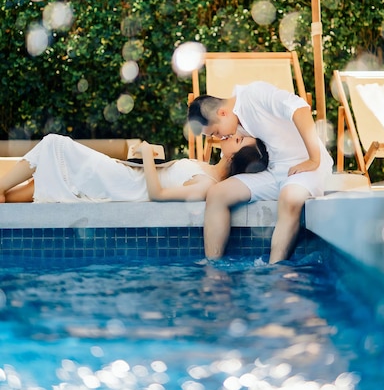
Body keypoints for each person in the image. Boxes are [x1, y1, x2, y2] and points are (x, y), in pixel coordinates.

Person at [187, 81, 333, 264]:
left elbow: (300, 108)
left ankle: (274, 269)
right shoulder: (234, 125)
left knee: (289, 198)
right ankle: (213, 268)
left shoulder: (254, 95)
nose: (219, 138)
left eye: (216, 132)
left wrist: (313, 159)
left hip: (304, 166)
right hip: (273, 171)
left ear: (222, 113)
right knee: (217, 194)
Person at [0, 133, 268, 204]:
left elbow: (157, 194)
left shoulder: (207, 185)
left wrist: (147, 155)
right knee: (42, 181)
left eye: (240, 139)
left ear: (236, 156)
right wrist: (150, 157)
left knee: (54, 144)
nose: (235, 134)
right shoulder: (205, 166)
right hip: (126, 174)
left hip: (121, 184)